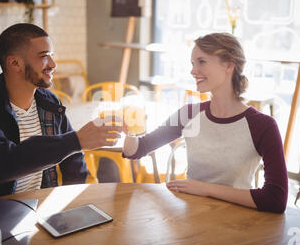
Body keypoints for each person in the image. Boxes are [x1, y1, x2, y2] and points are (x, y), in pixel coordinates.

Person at [0, 23, 122, 204]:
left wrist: (70, 206)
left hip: (41, 212)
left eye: (51, 56)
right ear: (14, 63)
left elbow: (74, 162)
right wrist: (75, 141)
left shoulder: (49, 102)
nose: (53, 64)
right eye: (44, 56)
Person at [122, 33, 288, 213]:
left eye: (202, 62)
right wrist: (128, 131)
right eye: (193, 64)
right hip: (191, 216)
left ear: (229, 65)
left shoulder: (262, 126)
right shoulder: (189, 114)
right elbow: (138, 149)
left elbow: (275, 199)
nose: (193, 71)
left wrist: (206, 189)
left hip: (238, 223)